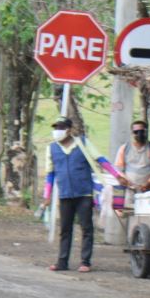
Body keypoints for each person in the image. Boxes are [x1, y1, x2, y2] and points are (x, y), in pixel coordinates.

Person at [45, 116, 97, 273]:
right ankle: (62, 261)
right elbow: (50, 174)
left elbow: (100, 159)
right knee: (65, 229)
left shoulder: (83, 143)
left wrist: (116, 175)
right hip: (65, 194)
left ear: (69, 130)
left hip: (84, 193)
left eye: (60, 128)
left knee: (86, 227)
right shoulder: (52, 148)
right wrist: (47, 194)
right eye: (55, 128)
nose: (57, 131)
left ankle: (85, 262)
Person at [114, 119, 150, 207]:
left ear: (146, 132)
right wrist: (124, 180)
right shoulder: (124, 148)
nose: (139, 134)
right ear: (132, 133)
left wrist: (149, 183)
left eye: (142, 131)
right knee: (128, 214)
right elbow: (118, 170)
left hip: (149, 192)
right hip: (129, 191)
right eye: (136, 132)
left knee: (148, 216)